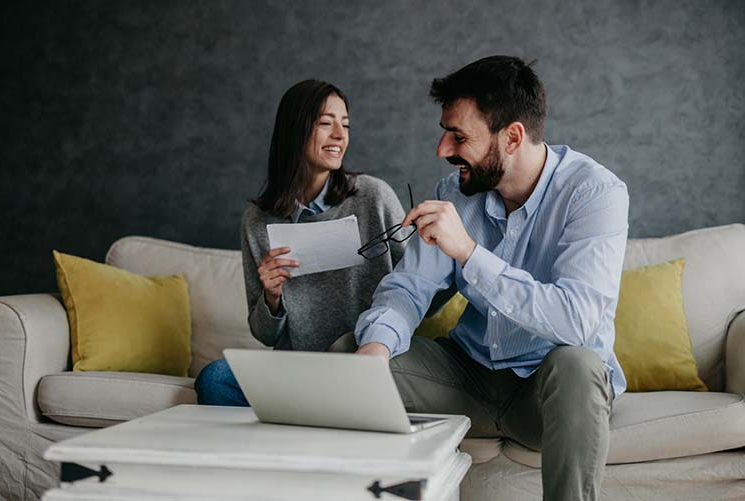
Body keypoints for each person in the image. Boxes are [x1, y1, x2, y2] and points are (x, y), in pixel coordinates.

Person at [353, 56, 629, 501]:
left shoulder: (595, 194)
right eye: (445, 132)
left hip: (549, 394)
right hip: (470, 380)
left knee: (579, 365)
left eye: (458, 136)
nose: (443, 150)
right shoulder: (455, 192)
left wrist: (468, 252)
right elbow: (411, 288)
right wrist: (375, 348)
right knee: (350, 354)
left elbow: (577, 322)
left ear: (513, 137)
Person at [195, 79, 407, 406]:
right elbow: (265, 335)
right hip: (299, 366)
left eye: (345, 124)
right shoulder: (257, 220)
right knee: (216, 378)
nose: (340, 134)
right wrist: (271, 297)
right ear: (295, 131)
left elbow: (419, 288)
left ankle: (313, 416)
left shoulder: (372, 197)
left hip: (364, 361)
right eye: (326, 123)